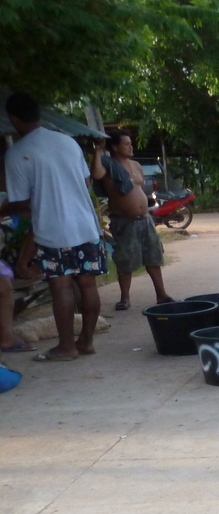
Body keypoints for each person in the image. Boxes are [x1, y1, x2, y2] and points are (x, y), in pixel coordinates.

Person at [1, 92, 106, 362]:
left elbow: (22, 202)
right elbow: (85, 182)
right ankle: (87, 342)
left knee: (61, 288)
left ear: (13, 118)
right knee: (87, 286)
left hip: (53, 231)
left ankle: (66, 347)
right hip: (86, 226)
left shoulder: (18, 153)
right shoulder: (68, 142)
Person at [90, 129, 173, 310]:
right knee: (124, 260)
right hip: (124, 220)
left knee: (153, 256)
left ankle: (162, 295)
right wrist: (98, 150)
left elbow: (139, 185)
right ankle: (125, 298)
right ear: (114, 146)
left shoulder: (135, 165)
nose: (130, 146)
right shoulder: (106, 164)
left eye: (130, 143)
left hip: (145, 218)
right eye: (126, 143)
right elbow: (96, 175)